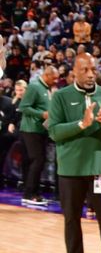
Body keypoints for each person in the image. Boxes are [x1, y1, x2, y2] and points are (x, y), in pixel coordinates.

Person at [48, 53, 101, 253]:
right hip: (70, 170)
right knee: (71, 218)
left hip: (99, 166)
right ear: (74, 72)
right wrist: (83, 124)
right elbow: (54, 132)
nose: (90, 74)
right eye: (84, 70)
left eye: (93, 69)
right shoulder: (60, 96)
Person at [19, 64, 58, 206]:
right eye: (54, 78)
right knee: (38, 160)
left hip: (41, 130)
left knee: (39, 161)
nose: (56, 81)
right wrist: (41, 114)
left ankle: (34, 193)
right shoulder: (35, 86)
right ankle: (29, 194)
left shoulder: (47, 88)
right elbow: (23, 107)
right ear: (46, 76)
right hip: (30, 129)